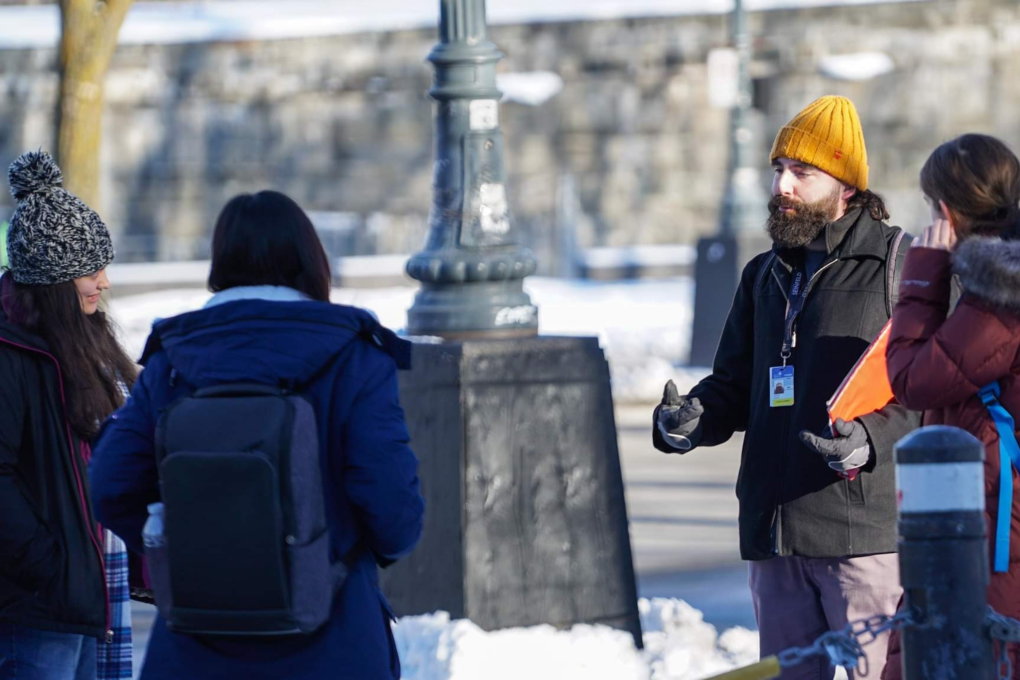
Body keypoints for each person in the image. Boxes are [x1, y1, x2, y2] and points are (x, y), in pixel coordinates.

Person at [88, 190, 425, 679]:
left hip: (197, 642)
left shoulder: (174, 358)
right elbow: (394, 509)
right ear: (311, 258)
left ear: (219, 260)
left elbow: (110, 483)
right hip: (332, 640)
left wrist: (184, 542)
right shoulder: (355, 355)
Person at [653, 96, 920, 679]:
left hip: (861, 541)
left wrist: (868, 439)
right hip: (773, 538)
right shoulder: (763, 274)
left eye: (803, 172)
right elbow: (734, 385)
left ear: (847, 186)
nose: (784, 185)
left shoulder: (898, 265)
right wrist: (691, 419)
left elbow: (926, 396)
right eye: (779, 169)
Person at [883, 133, 1020, 679]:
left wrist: (924, 272)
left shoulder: (1002, 293)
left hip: (993, 517)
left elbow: (913, 377)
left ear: (944, 210)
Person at [0, 151, 137, 680]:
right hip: (39, 607)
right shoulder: (14, 355)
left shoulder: (86, 347)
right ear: (56, 278)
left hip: (84, 598)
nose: (104, 282)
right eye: (92, 268)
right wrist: (49, 568)